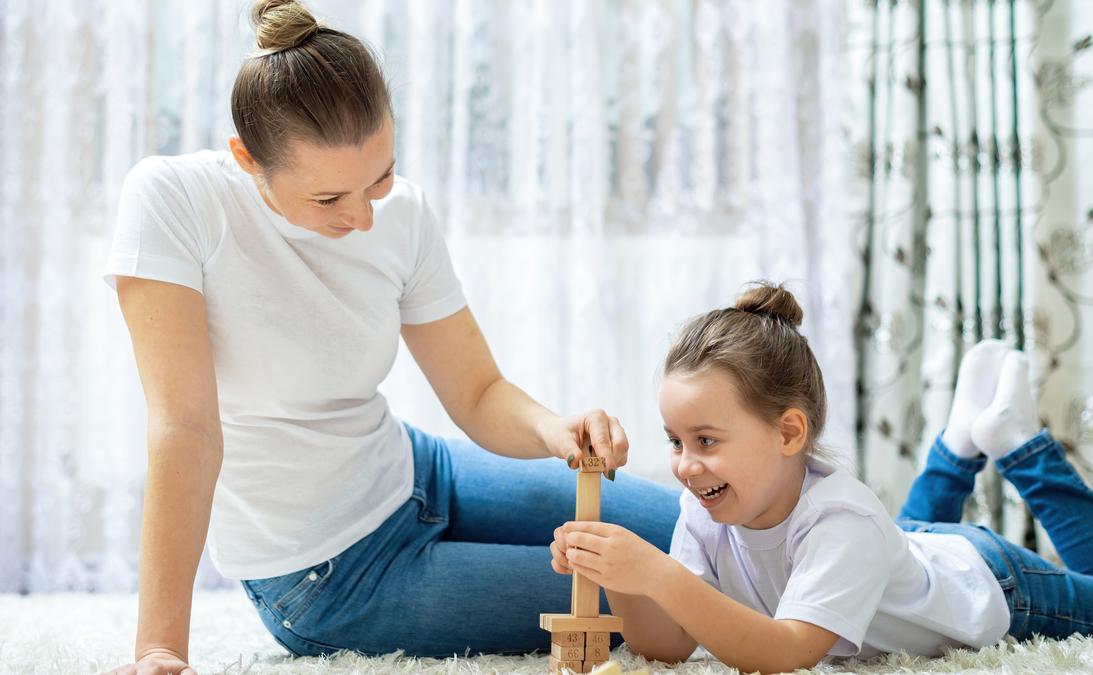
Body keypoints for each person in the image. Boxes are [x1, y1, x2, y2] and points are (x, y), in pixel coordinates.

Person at [101, 1, 679, 672]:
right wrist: (159, 648)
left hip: (421, 473)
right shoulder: (175, 203)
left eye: (379, 176)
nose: (364, 216)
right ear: (246, 158)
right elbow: (187, 429)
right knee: (664, 593)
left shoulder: (401, 212)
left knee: (695, 542)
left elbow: (478, 390)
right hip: (328, 576)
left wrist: (553, 430)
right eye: (329, 199)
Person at [550, 282, 1093, 673]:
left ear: (790, 433)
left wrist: (660, 575)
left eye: (706, 441)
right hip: (902, 548)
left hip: (993, 582)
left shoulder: (842, 520)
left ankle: (1018, 445)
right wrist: (621, 577)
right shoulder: (707, 509)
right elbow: (669, 647)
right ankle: (957, 445)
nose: (684, 465)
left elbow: (789, 651)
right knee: (894, 537)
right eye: (676, 442)